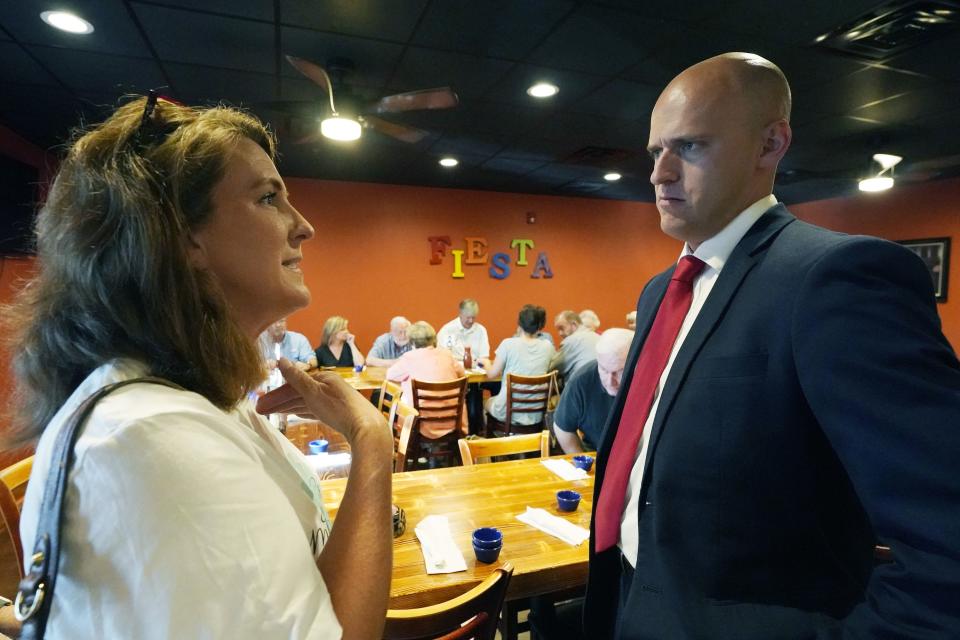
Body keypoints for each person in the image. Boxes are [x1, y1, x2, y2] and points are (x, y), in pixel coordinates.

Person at [584, 52, 960, 639]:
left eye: (690, 147)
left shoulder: (836, 278)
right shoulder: (662, 291)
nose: (659, 173)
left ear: (770, 144)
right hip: (630, 602)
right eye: (656, 151)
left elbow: (946, 544)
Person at [2, 96, 393, 639]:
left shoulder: (201, 400)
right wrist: (373, 440)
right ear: (182, 237)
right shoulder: (150, 435)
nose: (303, 227)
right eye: (267, 198)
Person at [553, 328, 633, 454]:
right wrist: (582, 461)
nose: (610, 381)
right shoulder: (581, 381)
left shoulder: (652, 380)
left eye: (619, 372)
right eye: (604, 370)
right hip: (598, 454)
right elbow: (563, 427)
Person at [385, 321, 467, 436]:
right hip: (451, 420)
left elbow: (390, 375)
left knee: (402, 401)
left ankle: (402, 444)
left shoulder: (409, 358)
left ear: (412, 342)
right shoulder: (447, 354)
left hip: (422, 423)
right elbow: (462, 375)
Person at [484, 305, 555, 428]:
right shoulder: (548, 347)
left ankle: (494, 441)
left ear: (519, 325)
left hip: (507, 412)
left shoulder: (508, 344)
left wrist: (485, 363)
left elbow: (491, 374)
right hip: (536, 413)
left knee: (486, 403)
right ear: (539, 326)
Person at [549, 310, 601, 384]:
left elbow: (553, 368)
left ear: (574, 325)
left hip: (580, 388)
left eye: (562, 328)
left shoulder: (570, 341)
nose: (560, 333)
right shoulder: (598, 337)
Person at [436, 298, 490, 365]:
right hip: (454, 368)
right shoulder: (448, 330)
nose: (471, 321)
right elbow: (442, 356)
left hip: (476, 369)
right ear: (460, 314)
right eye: (468, 317)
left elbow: (484, 357)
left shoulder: (481, 330)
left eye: (473, 317)